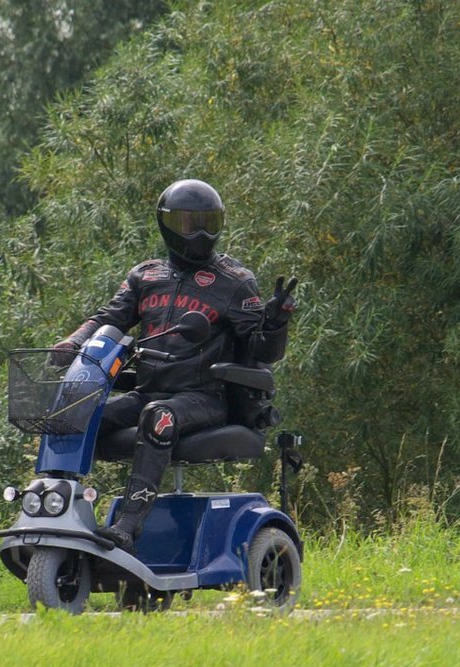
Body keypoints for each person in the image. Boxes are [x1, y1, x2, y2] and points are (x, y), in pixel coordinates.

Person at [53, 178, 297, 552]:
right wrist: (73, 342)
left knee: (158, 415)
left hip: (204, 398)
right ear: (166, 224)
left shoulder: (235, 282)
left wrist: (277, 321)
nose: (199, 233)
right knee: (72, 416)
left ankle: (128, 526)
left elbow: (263, 351)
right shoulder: (145, 276)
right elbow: (109, 319)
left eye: (209, 223)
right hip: (148, 390)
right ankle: (61, 515)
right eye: (188, 223)